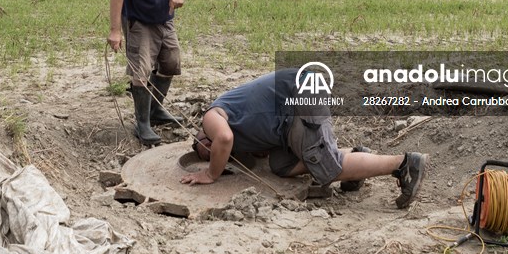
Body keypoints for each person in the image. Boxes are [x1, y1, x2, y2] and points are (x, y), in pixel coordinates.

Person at [180, 71, 427, 208]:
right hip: (289, 116)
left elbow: (223, 138)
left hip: (300, 95)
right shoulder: (239, 135)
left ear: (203, 137)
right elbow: (256, 141)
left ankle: (403, 164)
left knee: (327, 167)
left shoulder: (212, 117)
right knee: (281, 165)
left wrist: (211, 174)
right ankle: (356, 155)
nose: (211, 152)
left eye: (207, 149)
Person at [108, 0, 187, 146]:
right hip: (139, 20)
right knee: (140, 72)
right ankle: (142, 123)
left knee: (171, 62)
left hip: (165, 17)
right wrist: (114, 30)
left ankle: (156, 109)